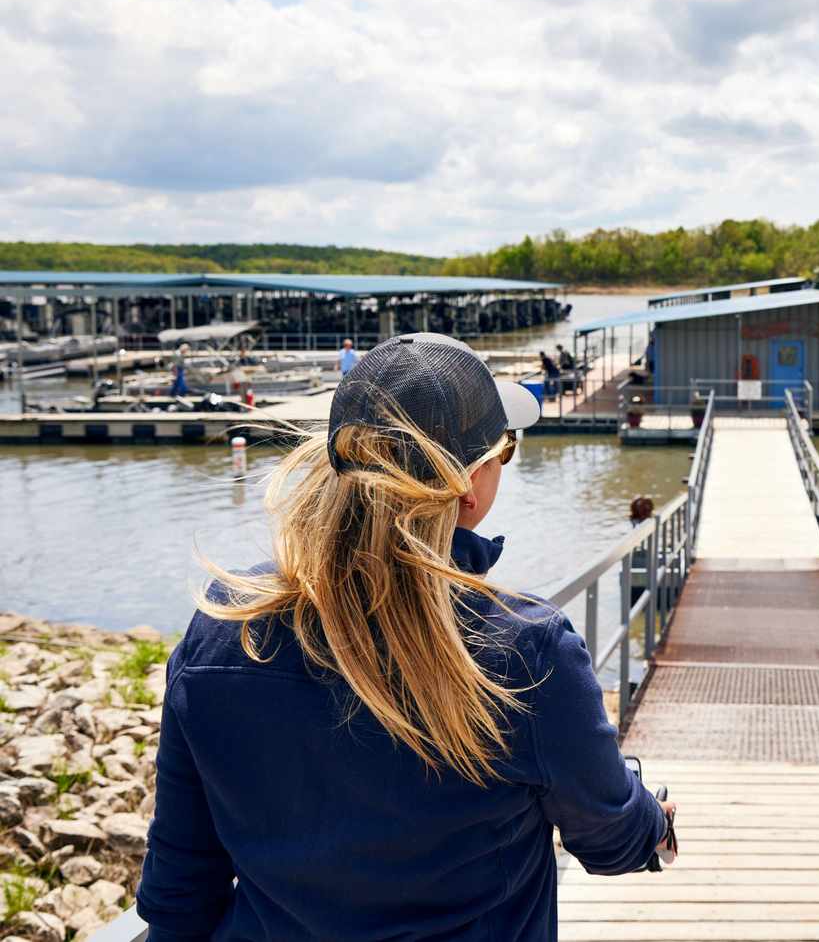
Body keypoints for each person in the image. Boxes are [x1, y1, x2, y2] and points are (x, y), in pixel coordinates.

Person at [137, 333, 675, 941]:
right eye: (505, 450)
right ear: (469, 487)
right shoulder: (529, 651)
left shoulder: (224, 628)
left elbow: (180, 889)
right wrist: (653, 819)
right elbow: (611, 840)